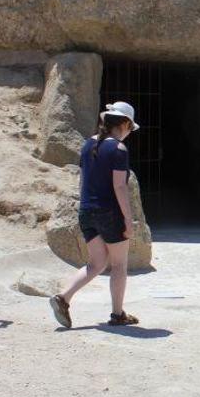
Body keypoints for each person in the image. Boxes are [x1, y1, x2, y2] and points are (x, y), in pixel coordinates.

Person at [50, 101, 141, 328]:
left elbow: (83, 179)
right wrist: (128, 221)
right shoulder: (118, 149)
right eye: (130, 127)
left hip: (86, 211)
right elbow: (119, 187)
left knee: (97, 263)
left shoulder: (87, 144)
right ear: (125, 123)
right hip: (109, 213)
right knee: (119, 265)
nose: (130, 133)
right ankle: (117, 314)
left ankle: (63, 298)